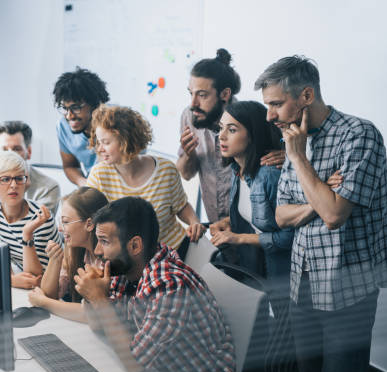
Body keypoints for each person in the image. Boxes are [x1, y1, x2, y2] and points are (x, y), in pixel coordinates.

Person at [255, 55, 387, 372]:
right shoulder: (293, 139)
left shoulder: (359, 135)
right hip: (301, 285)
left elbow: (335, 214)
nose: (269, 116)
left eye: (275, 104)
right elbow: (281, 216)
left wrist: (301, 162)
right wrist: (317, 197)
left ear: (306, 96)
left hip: (348, 291)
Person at [74, 197, 236, 372]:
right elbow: (98, 325)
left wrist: (99, 299)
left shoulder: (170, 285)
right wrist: (93, 294)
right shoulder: (128, 268)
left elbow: (134, 364)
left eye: (104, 241)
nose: (97, 251)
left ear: (135, 245)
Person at [210, 100, 300, 372]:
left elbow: (286, 237)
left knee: (277, 371)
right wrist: (223, 225)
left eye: (232, 129)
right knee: (258, 367)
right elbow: (247, 217)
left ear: (254, 135)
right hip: (255, 282)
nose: (222, 136)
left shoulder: (269, 175)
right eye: (221, 128)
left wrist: (238, 237)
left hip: (280, 284)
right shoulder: (240, 171)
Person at [176, 48, 285, 229]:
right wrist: (188, 155)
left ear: (225, 94)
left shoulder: (252, 117)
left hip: (254, 226)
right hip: (217, 223)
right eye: (191, 93)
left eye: (202, 95)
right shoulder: (189, 117)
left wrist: (287, 157)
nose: (193, 104)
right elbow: (186, 174)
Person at [87, 104, 204, 259]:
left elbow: (180, 206)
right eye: (98, 142)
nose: (99, 149)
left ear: (126, 141)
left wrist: (194, 221)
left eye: (106, 143)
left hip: (174, 253)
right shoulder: (98, 176)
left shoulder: (165, 169)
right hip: (129, 261)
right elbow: (90, 221)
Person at [28, 187, 108, 323]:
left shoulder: (108, 259)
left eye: (65, 222)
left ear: (89, 224)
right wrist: (55, 260)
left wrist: (43, 302)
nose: (60, 228)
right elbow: (49, 294)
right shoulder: (74, 250)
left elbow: (91, 314)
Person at [0, 151, 62, 289]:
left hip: (53, 283)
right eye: (5, 179)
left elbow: (36, 279)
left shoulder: (40, 218)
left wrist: (27, 234)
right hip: (20, 274)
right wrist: (10, 279)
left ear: (26, 182)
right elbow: (1, 256)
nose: (14, 185)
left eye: (19, 178)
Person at [52, 67, 110, 186]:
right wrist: (85, 183)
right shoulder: (63, 126)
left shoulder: (117, 121)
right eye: (65, 108)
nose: (69, 116)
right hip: (94, 186)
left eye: (76, 108)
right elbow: (70, 165)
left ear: (95, 104)